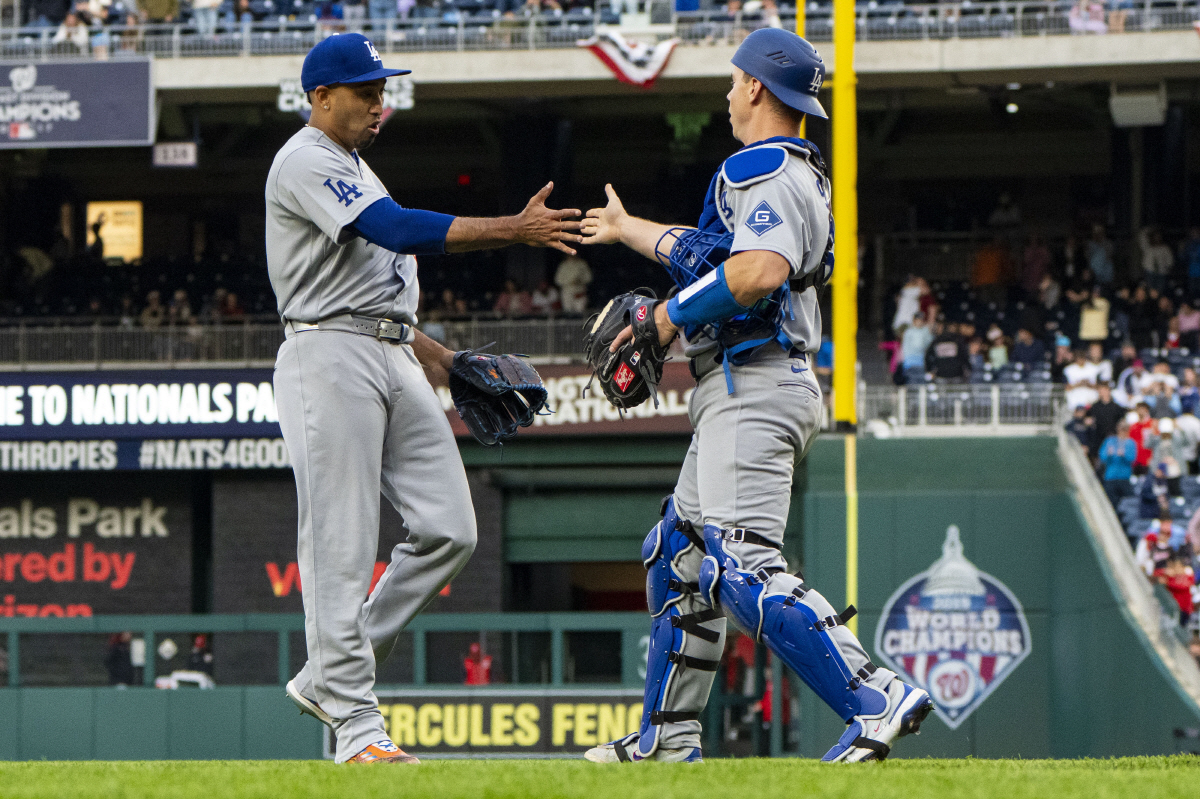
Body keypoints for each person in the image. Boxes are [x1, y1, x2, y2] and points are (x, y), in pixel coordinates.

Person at [578, 28, 931, 764]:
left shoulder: (763, 166)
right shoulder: (791, 171)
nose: (728, 92)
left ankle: (875, 696)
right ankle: (665, 739)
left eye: (734, 80)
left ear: (757, 89)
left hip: (757, 382)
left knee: (741, 563)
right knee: (679, 550)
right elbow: (712, 255)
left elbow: (757, 270)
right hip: (751, 383)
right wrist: (626, 228)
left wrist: (668, 318)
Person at [267, 33, 581, 766]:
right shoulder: (304, 159)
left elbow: (377, 284)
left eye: (383, 88)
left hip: (393, 346)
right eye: (366, 91)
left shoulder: (354, 166)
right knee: (340, 543)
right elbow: (396, 229)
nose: (381, 101)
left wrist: (443, 357)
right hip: (328, 352)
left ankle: (330, 671)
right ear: (321, 97)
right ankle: (356, 731)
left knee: (450, 528)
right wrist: (515, 227)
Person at [1099, 419, 1137, 507]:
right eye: (1121, 429)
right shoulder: (1110, 441)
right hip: (1111, 476)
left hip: (1124, 477)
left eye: (1125, 429)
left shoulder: (1130, 443)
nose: (1123, 431)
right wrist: (1109, 454)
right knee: (1111, 502)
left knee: (1127, 501)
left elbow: (1132, 459)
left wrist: (1124, 455)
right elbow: (1102, 457)